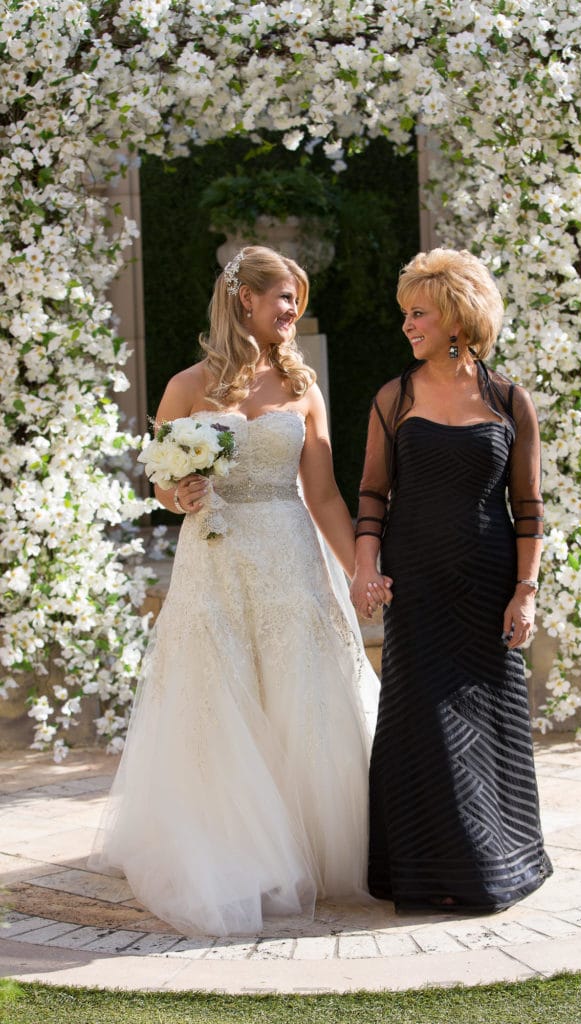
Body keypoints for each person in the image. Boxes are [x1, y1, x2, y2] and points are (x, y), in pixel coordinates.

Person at [90, 245, 388, 936]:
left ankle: (309, 843)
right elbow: (161, 483)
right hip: (215, 561)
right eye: (282, 297)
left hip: (288, 555)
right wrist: (180, 490)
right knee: (219, 700)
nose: (292, 311)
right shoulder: (188, 384)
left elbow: (324, 496)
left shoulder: (303, 389)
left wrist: (359, 571)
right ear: (242, 300)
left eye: (296, 299)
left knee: (300, 695)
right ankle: (234, 846)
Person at [350, 247, 553, 913]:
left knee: (489, 721)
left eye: (419, 313)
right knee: (423, 722)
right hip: (417, 583)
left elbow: (528, 508)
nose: (407, 325)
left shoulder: (509, 401)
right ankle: (424, 870)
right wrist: (366, 565)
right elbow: (372, 495)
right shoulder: (394, 397)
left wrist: (525, 592)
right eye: (405, 313)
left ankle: (499, 863)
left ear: (459, 318)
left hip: (488, 582)